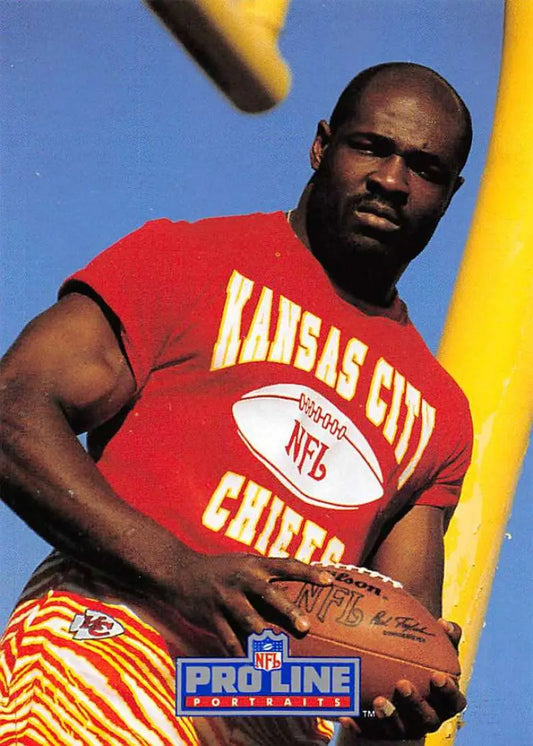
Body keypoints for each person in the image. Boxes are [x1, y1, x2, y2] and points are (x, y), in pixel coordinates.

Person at [0, 62, 472, 745]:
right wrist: (179, 572)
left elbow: (388, 659)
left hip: (254, 699)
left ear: (449, 193)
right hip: (108, 642)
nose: (392, 181)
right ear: (321, 145)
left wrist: (401, 706)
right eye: (371, 147)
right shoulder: (186, 260)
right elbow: (13, 407)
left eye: (424, 168)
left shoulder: (437, 410)